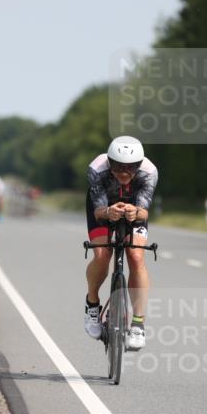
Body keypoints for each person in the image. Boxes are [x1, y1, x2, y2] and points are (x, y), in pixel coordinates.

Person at [83, 136, 158, 350]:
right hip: (103, 207)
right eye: (118, 167)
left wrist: (135, 212)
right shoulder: (97, 169)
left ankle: (138, 324)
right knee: (101, 254)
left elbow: (144, 210)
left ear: (139, 165)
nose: (124, 173)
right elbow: (98, 210)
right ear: (109, 162)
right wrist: (108, 212)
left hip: (134, 208)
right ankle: (92, 303)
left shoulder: (149, 172)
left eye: (130, 168)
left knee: (136, 256)